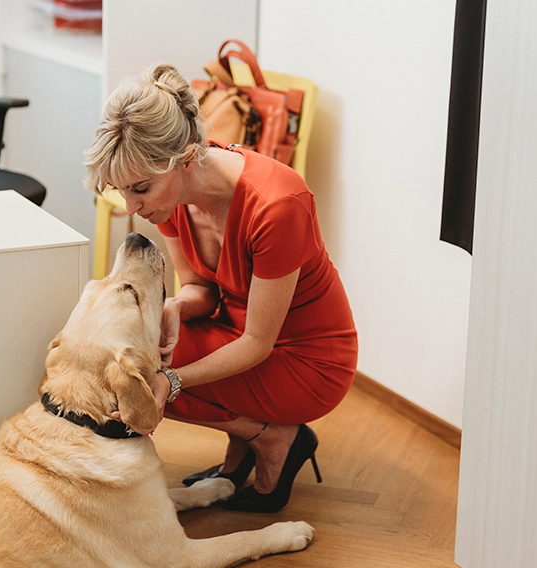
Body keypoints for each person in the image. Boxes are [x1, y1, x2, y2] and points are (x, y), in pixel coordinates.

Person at [83, 63, 357, 513]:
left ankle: (273, 437)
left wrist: (170, 379)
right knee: (125, 352)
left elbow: (258, 341)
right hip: (239, 333)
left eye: (141, 190)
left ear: (186, 159)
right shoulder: (171, 196)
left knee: (145, 372)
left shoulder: (277, 205)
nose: (132, 207)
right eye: (122, 191)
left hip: (307, 360)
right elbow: (201, 289)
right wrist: (176, 307)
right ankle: (247, 445)